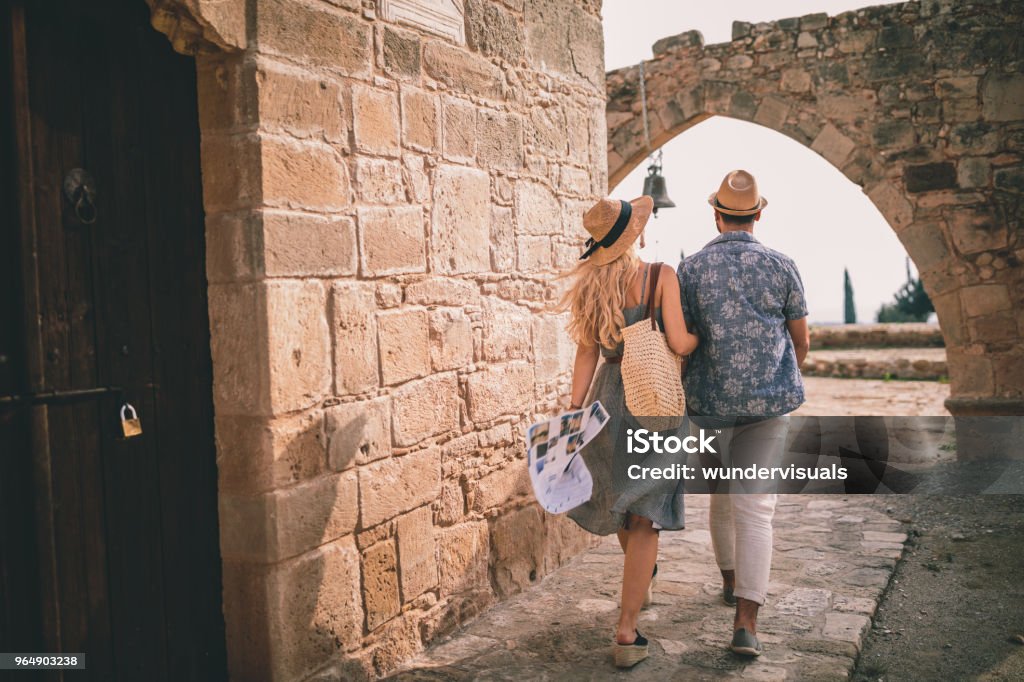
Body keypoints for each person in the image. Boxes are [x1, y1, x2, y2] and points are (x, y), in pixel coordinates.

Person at [559, 196, 699, 669]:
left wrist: (574, 411)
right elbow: (679, 341)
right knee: (644, 517)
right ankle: (626, 628)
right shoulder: (661, 276)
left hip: (606, 403)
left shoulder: (591, 288)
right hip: (654, 402)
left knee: (624, 504)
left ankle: (637, 597)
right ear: (634, 236)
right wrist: (698, 341)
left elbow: (585, 356)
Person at [677, 170, 810, 657]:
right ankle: (746, 623)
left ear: (716, 215)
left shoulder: (690, 269)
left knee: (720, 497)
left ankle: (730, 581)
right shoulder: (782, 265)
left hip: (709, 406)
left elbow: (684, 342)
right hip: (768, 406)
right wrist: (776, 376)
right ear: (758, 213)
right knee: (756, 510)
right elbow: (802, 342)